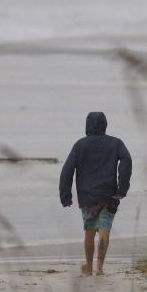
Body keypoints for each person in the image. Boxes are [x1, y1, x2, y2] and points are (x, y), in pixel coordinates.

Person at [59, 111, 131, 276]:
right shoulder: (116, 143)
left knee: (89, 231)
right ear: (105, 124)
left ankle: (89, 266)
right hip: (109, 194)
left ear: (87, 125)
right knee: (105, 229)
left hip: (87, 196)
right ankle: (100, 267)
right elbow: (127, 160)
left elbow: (66, 171)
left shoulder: (80, 145)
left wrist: (65, 196)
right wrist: (122, 189)